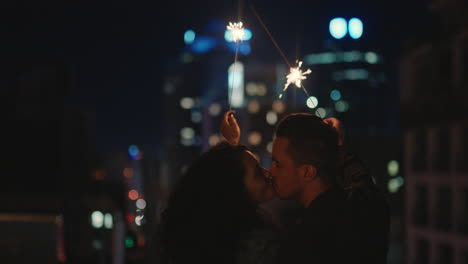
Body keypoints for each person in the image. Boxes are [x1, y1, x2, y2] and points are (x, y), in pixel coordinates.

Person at [222, 111, 389, 264]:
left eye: (278, 164)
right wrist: (335, 146)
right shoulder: (367, 206)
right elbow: (362, 181)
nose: (270, 172)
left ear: (308, 172)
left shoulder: (303, 243)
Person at [159, 142, 279, 264]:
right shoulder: (259, 248)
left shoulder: (211, 243)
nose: (268, 173)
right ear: (234, 191)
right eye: (258, 173)